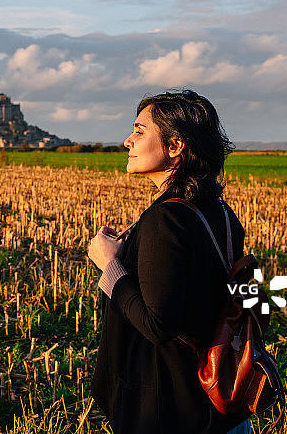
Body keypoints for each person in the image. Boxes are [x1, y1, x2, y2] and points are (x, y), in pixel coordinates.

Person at [87, 90, 251, 434]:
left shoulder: (166, 219)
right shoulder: (221, 214)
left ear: (175, 146)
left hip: (172, 412)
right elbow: (237, 299)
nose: (127, 141)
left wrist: (109, 266)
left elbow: (159, 325)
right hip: (221, 406)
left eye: (139, 131)